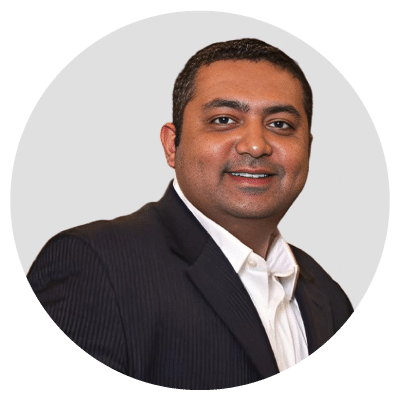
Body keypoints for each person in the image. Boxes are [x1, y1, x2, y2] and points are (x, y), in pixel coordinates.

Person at [27, 38, 353, 390]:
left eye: (280, 125)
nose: (256, 145)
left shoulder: (329, 297)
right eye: (224, 119)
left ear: (307, 148)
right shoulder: (94, 266)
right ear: (172, 145)